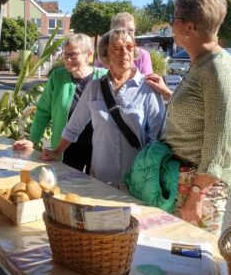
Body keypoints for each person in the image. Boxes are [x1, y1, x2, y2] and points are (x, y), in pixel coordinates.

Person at [145, 0, 231, 236]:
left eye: (174, 18)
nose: (171, 24)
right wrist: (169, 94)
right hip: (183, 181)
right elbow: (201, 110)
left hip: (197, 188)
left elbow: (220, 140)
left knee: (190, 263)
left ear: (189, 27)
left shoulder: (219, 70)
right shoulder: (203, 64)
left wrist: (197, 194)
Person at [43, 28, 165, 189]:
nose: (125, 52)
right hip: (100, 179)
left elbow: (157, 137)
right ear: (105, 54)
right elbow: (74, 126)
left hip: (136, 181)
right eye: (117, 48)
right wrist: (56, 152)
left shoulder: (147, 88)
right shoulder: (95, 88)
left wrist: (148, 175)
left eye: (129, 47)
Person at [13, 34, 107, 173]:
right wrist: (32, 141)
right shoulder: (57, 77)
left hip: (98, 150)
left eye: (73, 55)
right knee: (65, 189)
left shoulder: (104, 77)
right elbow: (43, 112)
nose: (68, 60)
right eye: (65, 55)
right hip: (65, 149)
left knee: (95, 191)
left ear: (89, 54)